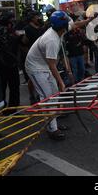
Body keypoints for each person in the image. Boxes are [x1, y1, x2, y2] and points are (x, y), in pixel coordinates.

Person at [25, 11, 72, 141]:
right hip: (35, 68)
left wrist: (88, 20)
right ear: (63, 26)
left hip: (44, 65)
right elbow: (52, 65)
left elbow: (76, 24)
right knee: (47, 97)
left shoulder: (58, 30)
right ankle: (52, 129)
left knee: (54, 95)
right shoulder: (51, 40)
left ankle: (53, 123)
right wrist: (61, 82)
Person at [0, 12, 21, 107]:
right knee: (11, 87)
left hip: (5, 64)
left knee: (5, 87)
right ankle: (10, 108)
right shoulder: (6, 33)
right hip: (6, 64)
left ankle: (6, 107)